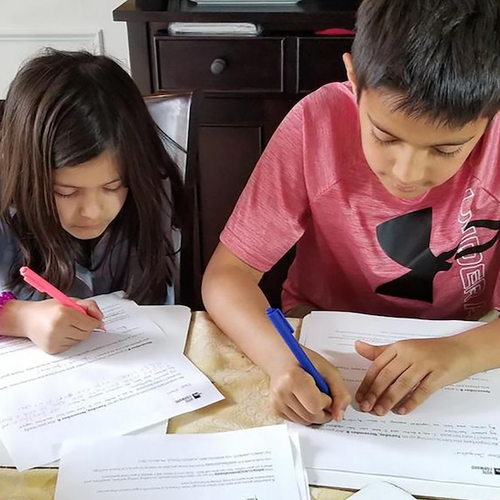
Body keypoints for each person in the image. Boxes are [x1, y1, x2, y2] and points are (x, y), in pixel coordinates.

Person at [202, 0, 500, 426]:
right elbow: (227, 276)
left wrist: (464, 352)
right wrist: (281, 358)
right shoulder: (316, 123)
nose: (407, 174)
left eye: (446, 149)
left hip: (461, 339)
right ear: (354, 78)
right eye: (385, 137)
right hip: (318, 331)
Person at [0, 49, 185, 354]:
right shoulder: (7, 200)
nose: (92, 212)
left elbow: (162, 304)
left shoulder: (151, 188)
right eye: (66, 192)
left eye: (113, 187)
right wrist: (20, 318)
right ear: (26, 176)